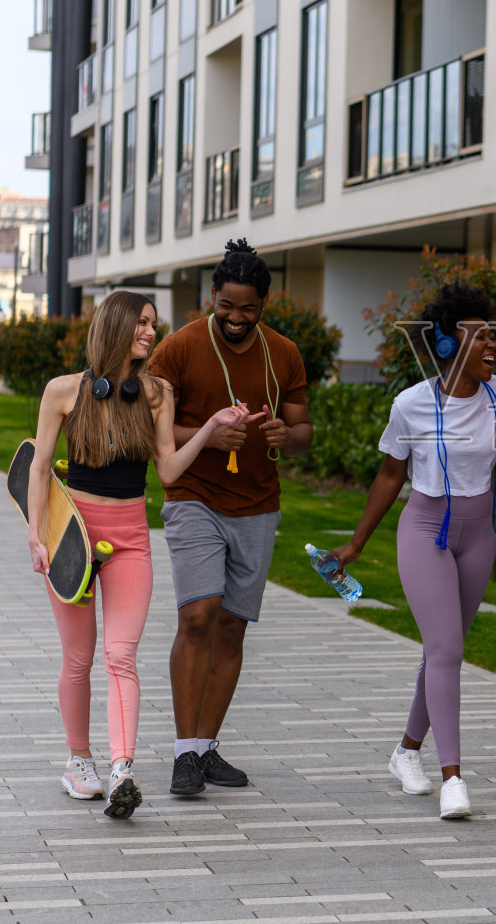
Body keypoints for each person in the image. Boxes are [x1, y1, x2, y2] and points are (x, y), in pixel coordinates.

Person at [26, 290, 258, 819]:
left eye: (154, 324)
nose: (151, 332)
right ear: (116, 326)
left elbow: (170, 470)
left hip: (130, 536)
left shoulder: (155, 394)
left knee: (120, 655)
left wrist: (209, 429)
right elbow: (39, 469)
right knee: (79, 657)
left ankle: (122, 770)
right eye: (142, 323)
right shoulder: (63, 391)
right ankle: (79, 762)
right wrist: (36, 536)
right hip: (72, 538)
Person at [330, 283, 496, 820]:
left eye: (495, 337)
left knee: (441, 651)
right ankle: (453, 778)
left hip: (478, 534)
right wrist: (357, 543)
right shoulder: (411, 404)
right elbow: (389, 474)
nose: (493, 346)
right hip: (426, 528)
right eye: (480, 338)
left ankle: (406, 751)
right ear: (448, 346)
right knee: (447, 648)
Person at [147, 239, 313, 797]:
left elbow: (303, 433)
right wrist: (210, 435)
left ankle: (205, 747)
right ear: (211, 295)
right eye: (227, 307)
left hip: (257, 506)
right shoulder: (177, 349)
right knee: (198, 616)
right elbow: (156, 434)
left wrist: (283, 436)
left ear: (265, 304)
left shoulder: (284, 353)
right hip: (193, 496)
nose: (237, 319)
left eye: (249, 310)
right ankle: (181, 753)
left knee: (232, 626)